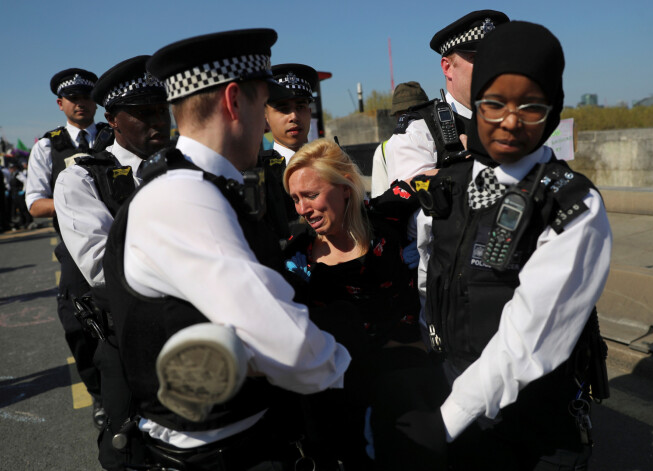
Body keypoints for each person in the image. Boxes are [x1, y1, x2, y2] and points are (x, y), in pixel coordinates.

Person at [101, 29, 350, 470]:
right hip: (218, 455)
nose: (266, 120)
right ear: (235, 102)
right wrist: (346, 365)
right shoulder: (182, 197)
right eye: (264, 104)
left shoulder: (209, 187)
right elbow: (293, 349)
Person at [418, 21, 612, 470]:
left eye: (530, 107)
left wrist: (443, 421)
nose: (509, 121)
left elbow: (526, 343)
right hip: (454, 407)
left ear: (553, 110)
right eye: (494, 103)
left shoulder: (571, 204)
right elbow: (428, 279)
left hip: (531, 430)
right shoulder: (447, 184)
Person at [283, 138, 446, 470]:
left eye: (311, 195)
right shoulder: (295, 258)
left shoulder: (386, 220)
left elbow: (430, 178)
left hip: (409, 389)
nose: (303, 209)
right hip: (341, 401)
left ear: (345, 187)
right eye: (296, 199)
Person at [53, 55, 171, 471]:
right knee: (131, 454)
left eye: (162, 110)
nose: (158, 121)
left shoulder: (185, 166)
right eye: (143, 113)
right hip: (128, 341)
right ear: (114, 120)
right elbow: (107, 271)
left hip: (194, 340)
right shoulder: (81, 179)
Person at [25, 68, 109, 427]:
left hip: (122, 239)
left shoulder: (113, 133)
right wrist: (77, 200)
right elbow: (34, 203)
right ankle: (99, 394)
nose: (81, 104)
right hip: (75, 250)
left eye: (87, 97)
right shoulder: (49, 146)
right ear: (61, 104)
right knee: (79, 326)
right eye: (73, 99)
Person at [385, 10, 509, 183]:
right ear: (448, 67)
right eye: (476, 58)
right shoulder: (418, 133)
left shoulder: (515, 121)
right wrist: (475, 171)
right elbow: (419, 206)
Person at [259, 63, 319, 242]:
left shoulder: (334, 162)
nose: (294, 116)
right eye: (283, 108)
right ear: (266, 118)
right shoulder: (260, 172)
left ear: (309, 113)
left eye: (300, 107)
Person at [370, 81, 428, 198]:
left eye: (414, 112)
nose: (410, 119)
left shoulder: (446, 141)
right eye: (403, 114)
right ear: (396, 116)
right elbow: (381, 201)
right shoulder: (383, 151)